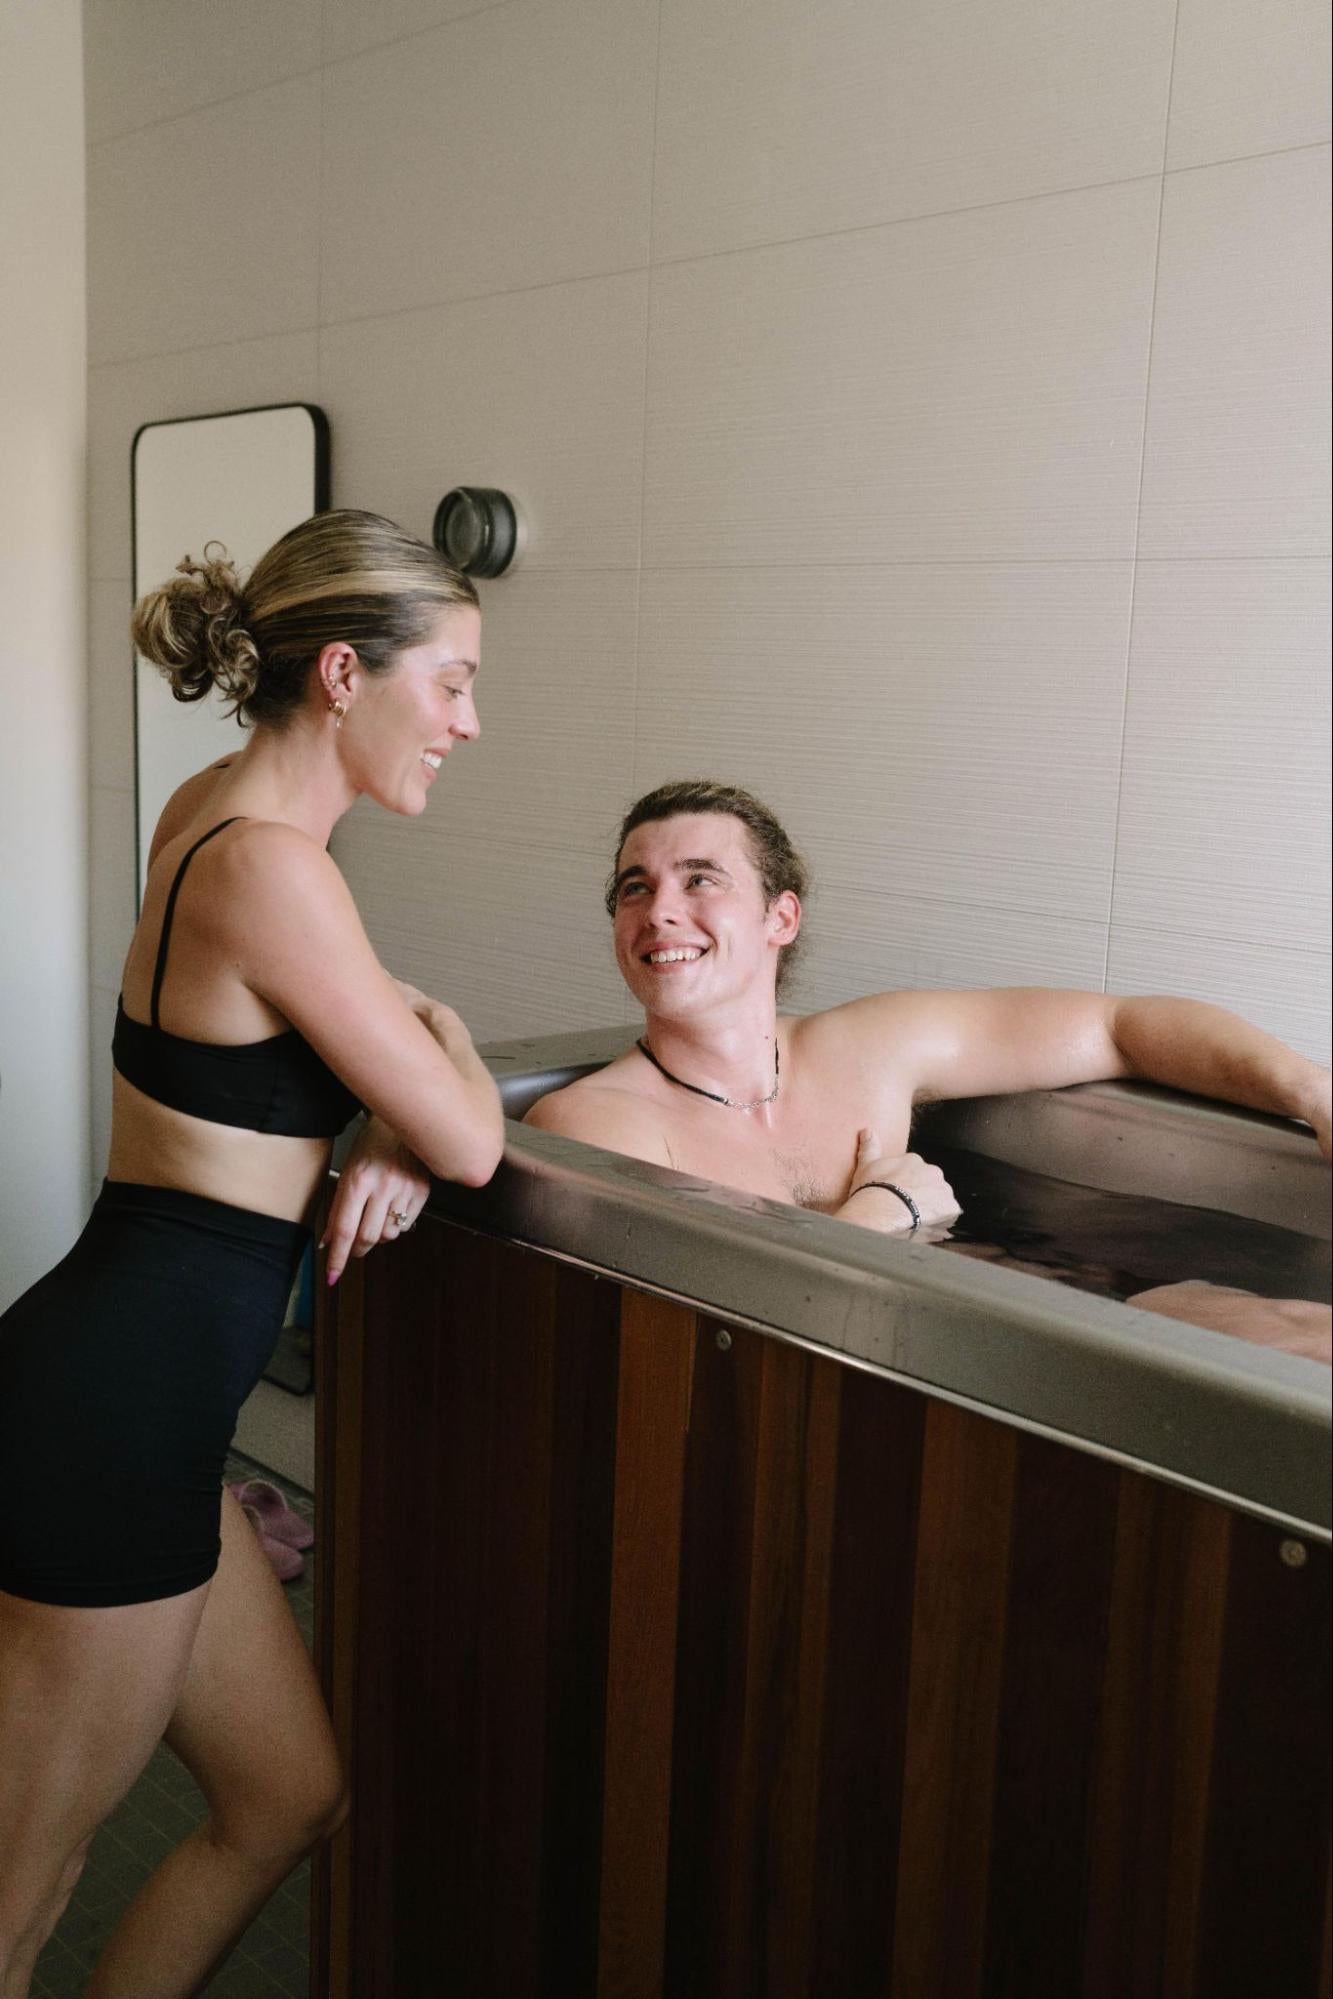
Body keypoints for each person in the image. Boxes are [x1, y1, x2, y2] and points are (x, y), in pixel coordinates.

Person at [0, 510, 504, 1997]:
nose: (470, 722)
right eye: (456, 681)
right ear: (346, 673)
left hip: (131, 1398)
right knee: (21, 1894)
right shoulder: (276, 867)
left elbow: (358, 1018)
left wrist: (394, 1102)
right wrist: (439, 1071)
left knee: (290, 1797)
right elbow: (468, 1130)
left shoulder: (212, 813)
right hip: (110, 1424)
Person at [525, 780, 1332, 1236]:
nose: (659, 909)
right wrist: (881, 1214)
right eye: (635, 887)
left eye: (700, 879)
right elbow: (694, 1332)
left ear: (780, 917)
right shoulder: (594, 1124)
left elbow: (1121, 1027)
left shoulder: (871, 1047)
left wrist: (1311, 1094)